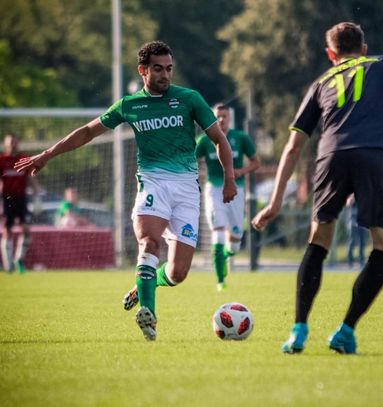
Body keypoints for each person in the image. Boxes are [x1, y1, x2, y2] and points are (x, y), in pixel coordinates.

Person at [14, 41, 237, 340]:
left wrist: (230, 178)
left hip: (186, 190)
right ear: (142, 70)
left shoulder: (189, 99)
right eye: (158, 69)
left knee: (178, 272)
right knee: (149, 244)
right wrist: (47, 154)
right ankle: (149, 315)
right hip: (153, 184)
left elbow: (219, 139)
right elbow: (87, 132)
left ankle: (147, 283)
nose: (165, 75)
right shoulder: (129, 105)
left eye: (169, 69)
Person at [252, 22, 383, 354]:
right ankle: (346, 330)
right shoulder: (380, 63)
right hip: (373, 155)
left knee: (318, 241)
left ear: (330, 54)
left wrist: (275, 202)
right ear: (363, 49)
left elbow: (293, 147)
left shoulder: (320, 82)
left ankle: (298, 330)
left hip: (331, 156)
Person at [196, 103, 260, 291]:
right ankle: (220, 282)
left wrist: (241, 171)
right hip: (214, 190)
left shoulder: (240, 138)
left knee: (235, 244)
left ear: (229, 118)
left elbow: (256, 162)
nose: (221, 119)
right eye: (217, 116)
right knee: (218, 233)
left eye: (224, 116)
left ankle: (225, 256)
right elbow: (189, 157)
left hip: (236, 191)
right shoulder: (204, 140)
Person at [0, 134, 40, 273]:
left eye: (15, 142)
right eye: (10, 142)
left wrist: (37, 197)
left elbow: (31, 177)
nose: (13, 144)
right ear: (5, 144)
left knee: (26, 230)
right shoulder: (2, 160)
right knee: (8, 230)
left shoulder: (24, 158)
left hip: (22, 198)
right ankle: (8, 264)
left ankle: (18, 259)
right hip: (7, 199)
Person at [345, 195, 368, 268]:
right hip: (352, 222)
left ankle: (361, 260)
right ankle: (350, 260)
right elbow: (348, 203)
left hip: (361, 222)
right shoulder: (352, 196)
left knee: (362, 241)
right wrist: (353, 198)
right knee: (352, 241)